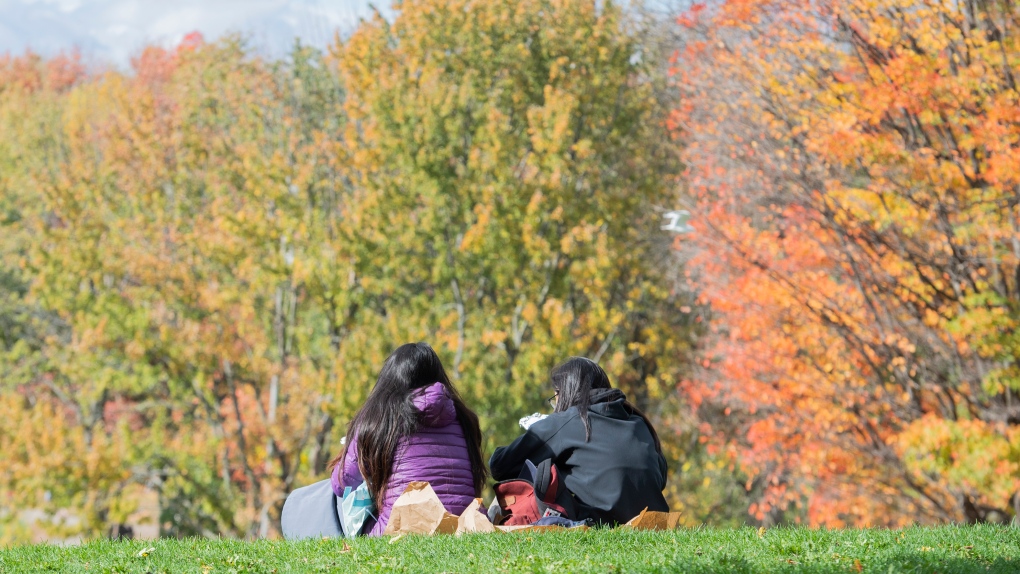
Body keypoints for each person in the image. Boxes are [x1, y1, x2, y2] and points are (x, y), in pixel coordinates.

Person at [329, 342, 488, 535]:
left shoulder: (380, 418)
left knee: (337, 498)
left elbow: (341, 483)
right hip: (464, 525)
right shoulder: (464, 417)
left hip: (400, 529)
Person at [489, 357, 668, 525]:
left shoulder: (568, 421)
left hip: (601, 524)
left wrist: (540, 430)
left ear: (564, 394)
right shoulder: (638, 422)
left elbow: (499, 465)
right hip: (655, 522)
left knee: (542, 472)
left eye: (555, 399)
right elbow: (660, 477)